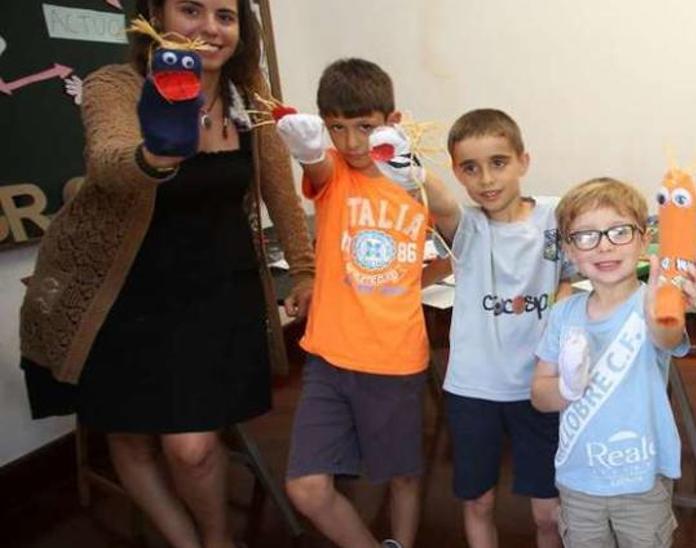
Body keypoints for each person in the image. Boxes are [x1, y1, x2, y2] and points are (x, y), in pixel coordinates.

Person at [17, 1, 315, 547]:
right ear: (156, 14)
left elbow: (282, 195)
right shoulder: (118, 86)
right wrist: (156, 152)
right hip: (121, 296)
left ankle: (218, 539)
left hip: (216, 295)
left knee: (193, 448)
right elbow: (107, 159)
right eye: (191, 10)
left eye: (225, 16)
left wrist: (303, 271)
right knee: (130, 439)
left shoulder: (249, 102)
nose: (209, 28)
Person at [272, 58, 430, 548]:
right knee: (306, 486)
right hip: (328, 358)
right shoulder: (335, 171)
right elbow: (317, 168)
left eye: (365, 127)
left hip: (395, 358)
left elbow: (448, 236)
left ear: (394, 122)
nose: (353, 143)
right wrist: (305, 148)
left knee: (402, 475)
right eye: (337, 128)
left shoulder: (412, 181)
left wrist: (418, 179)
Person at [419, 108, 571, 548]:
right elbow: (442, 202)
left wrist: (563, 297)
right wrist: (403, 158)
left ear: (524, 161)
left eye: (498, 163)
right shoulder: (466, 227)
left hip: (537, 390)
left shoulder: (554, 217)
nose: (486, 179)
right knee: (478, 503)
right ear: (458, 173)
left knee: (548, 513)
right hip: (473, 391)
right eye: (471, 168)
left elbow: (572, 272)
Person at [531, 177, 696, 547]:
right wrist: (567, 387)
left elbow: (666, 337)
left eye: (619, 232)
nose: (604, 246)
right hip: (579, 481)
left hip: (642, 480)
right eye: (586, 236)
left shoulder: (653, 304)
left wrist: (668, 305)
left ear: (644, 239)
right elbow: (539, 395)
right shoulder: (564, 314)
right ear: (569, 250)